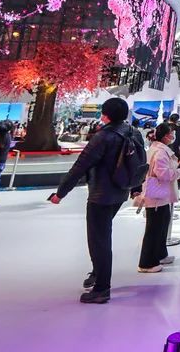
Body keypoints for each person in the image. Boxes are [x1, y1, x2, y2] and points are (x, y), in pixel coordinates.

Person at [50, 98, 146, 303]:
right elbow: (140, 162)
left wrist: (60, 193)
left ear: (106, 115)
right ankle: (97, 272)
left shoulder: (103, 137)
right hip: (120, 191)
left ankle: (102, 287)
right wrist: (135, 187)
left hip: (101, 194)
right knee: (101, 237)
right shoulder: (133, 132)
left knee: (99, 240)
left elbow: (80, 166)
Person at [137, 122, 179, 273]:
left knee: (162, 225)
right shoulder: (160, 152)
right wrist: (177, 172)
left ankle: (160, 254)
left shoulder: (156, 149)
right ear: (165, 136)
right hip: (156, 196)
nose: (173, 136)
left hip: (160, 195)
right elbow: (163, 174)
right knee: (154, 229)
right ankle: (146, 263)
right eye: (171, 133)